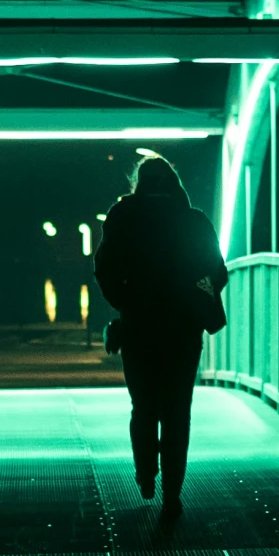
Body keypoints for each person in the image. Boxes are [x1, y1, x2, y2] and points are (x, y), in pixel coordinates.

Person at [93, 153, 228, 519]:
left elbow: (104, 269)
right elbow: (218, 271)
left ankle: (145, 473)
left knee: (144, 405)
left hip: (138, 326)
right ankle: (172, 492)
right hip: (184, 328)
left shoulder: (122, 216)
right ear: (173, 183)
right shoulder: (193, 220)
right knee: (177, 410)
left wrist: (124, 301)